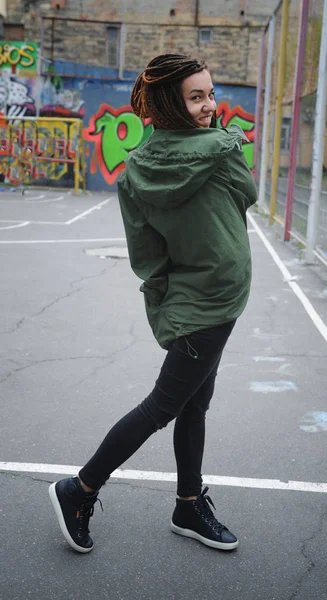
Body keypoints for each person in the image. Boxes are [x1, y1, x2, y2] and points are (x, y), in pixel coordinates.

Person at [49, 53, 257, 554]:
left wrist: (166, 300)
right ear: (168, 102)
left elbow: (146, 253)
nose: (210, 105)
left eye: (210, 93)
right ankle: (79, 489)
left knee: (193, 403)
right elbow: (246, 195)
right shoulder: (223, 148)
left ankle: (188, 504)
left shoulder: (135, 168)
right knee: (163, 406)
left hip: (200, 302)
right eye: (197, 96)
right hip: (209, 307)